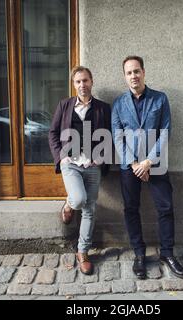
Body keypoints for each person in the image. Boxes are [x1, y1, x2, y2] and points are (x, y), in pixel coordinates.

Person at [112, 56, 183, 279]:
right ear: (124, 77)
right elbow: (117, 137)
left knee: (165, 208)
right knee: (131, 209)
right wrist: (134, 164)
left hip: (156, 163)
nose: (133, 76)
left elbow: (165, 133)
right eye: (129, 73)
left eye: (136, 71)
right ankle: (139, 254)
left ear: (143, 72)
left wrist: (147, 162)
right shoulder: (118, 104)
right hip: (130, 166)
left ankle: (167, 253)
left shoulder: (160, 99)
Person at [49, 66, 111, 275]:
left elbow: (110, 135)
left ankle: (82, 252)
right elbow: (52, 133)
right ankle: (68, 205)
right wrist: (60, 156)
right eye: (78, 82)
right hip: (71, 164)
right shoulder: (64, 105)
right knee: (78, 199)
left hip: (93, 166)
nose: (82, 85)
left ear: (91, 81)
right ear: (73, 84)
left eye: (85, 80)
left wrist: (102, 157)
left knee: (90, 209)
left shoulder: (103, 108)